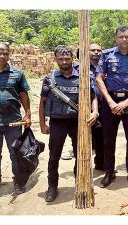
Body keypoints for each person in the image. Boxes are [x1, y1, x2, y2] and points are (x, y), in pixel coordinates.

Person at [39, 45, 98, 202]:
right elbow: (43, 101)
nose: (64, 61)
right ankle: (52, 187)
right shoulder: (50, 79)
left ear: (72, 59)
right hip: (57, 122)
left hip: (78, 123)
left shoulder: (83, 77)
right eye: (61, 58)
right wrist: (42, 124)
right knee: (54, 156)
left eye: (67, 58)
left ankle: (80, 182)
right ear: (56, 59)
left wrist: (95, 112)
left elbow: (93, 97)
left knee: (81, 154)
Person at [96, 26, 128, 189]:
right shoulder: (106, 55)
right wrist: (111, 102)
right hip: (110, 100)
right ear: (116, 38)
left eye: (127, 36)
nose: (124, 39)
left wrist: (127, 102)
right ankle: (109, 172)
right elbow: (99, 78)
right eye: (121, 37)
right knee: (108, 139)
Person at [0, 42, 31, 196]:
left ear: (9, 55)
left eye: (5, 53)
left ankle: (18, 181)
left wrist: (28, 114)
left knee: (15, 152)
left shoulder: (18, 73)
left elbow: (23, 94)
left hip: (13, 121)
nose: (2, 56)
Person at [73, 43, 105, 170]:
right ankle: (82, 167)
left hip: (103, 108)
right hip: (83, 109)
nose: (96, 52)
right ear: (86, 52)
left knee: (102, 137)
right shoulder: (78, 68)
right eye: (93, 50)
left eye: (99, 50)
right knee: (83, 137)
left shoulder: (105, 67)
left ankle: (101, 164)